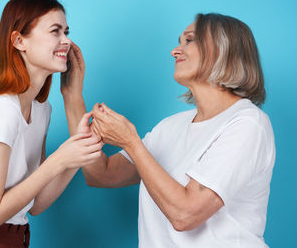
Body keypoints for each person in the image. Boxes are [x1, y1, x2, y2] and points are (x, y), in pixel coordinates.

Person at [70, 13, 275, 247]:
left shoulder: (248, 124)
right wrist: (72, 95)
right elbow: (101, 174)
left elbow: (186, 215)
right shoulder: (170, 127)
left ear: (223, 50)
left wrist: (130, 142)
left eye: (189, 40)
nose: (175, 51)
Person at [0, 0, 102, 247]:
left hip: (17, 240)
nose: (67, 40)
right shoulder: (1, 109)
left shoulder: (41, 109)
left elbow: (37, 204)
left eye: (66, 31)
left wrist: (79, 150)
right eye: (56, 31)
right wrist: (59, 160)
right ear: (19, 40)